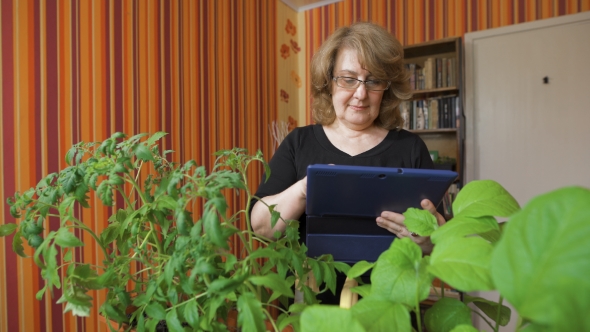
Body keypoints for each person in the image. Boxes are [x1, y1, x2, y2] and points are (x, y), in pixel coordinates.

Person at [251, 22, 445, 261]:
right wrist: (303, 190)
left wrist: (427, 241)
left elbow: (440, 238)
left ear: (386, 89)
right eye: (348, 79)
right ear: (328, 82)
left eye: (373, 81)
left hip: (390, 296)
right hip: (308, 293)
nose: (361, 93)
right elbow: (261, 228)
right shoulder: (298, 142)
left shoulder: (411, 148)